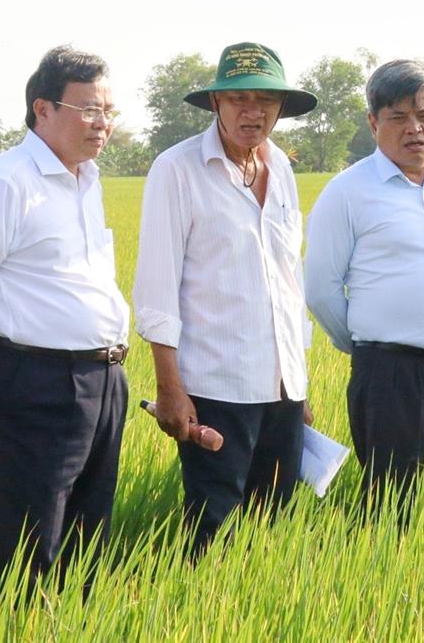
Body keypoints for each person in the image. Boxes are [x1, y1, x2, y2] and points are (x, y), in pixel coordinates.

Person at [0, 45, 130, 593]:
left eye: (109, 111)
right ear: (43, 110)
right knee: (30, 546)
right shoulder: (7, 182)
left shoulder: (85, 179)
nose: (103, 124)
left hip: (104, 378)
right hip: (34, 380)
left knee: (88, 541)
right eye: (89, 109)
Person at [133, 42, 318, 555]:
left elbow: (288, 282)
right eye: (238, 98)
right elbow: (156, 288)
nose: (252, 111)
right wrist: (171, 388)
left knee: (273, 525)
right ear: (216, 103)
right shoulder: (177, 169)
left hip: (282, 388)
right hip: (216, 387)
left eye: (265, 100)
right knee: (212, 530)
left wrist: (297, 386)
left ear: (281, 108)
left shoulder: (280, 169)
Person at [305, 59, 424, 507]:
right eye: (398, 117)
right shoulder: (347, 191)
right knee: (399, 509)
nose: (414, 128)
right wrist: (372, 350)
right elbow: (321, 288)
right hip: (395, 377)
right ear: (374, 123)